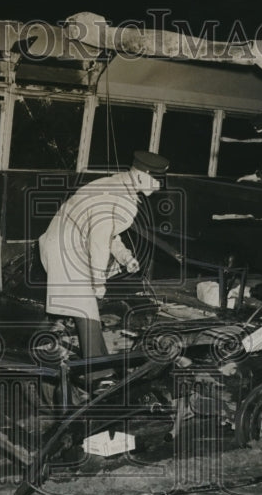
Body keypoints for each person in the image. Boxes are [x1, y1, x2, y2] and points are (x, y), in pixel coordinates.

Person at [39, 151, 168, 358]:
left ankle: (91, 356)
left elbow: (108, 235)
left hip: (71, 242)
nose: (159, 186)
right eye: (156, 179)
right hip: (64, 247)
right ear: (141, 175)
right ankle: (96, 373)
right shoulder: (116, 195)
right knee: (86, 306)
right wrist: (98, 281)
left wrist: (125, 257)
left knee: (85, 307)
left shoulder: (123, 188)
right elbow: (98, 241)